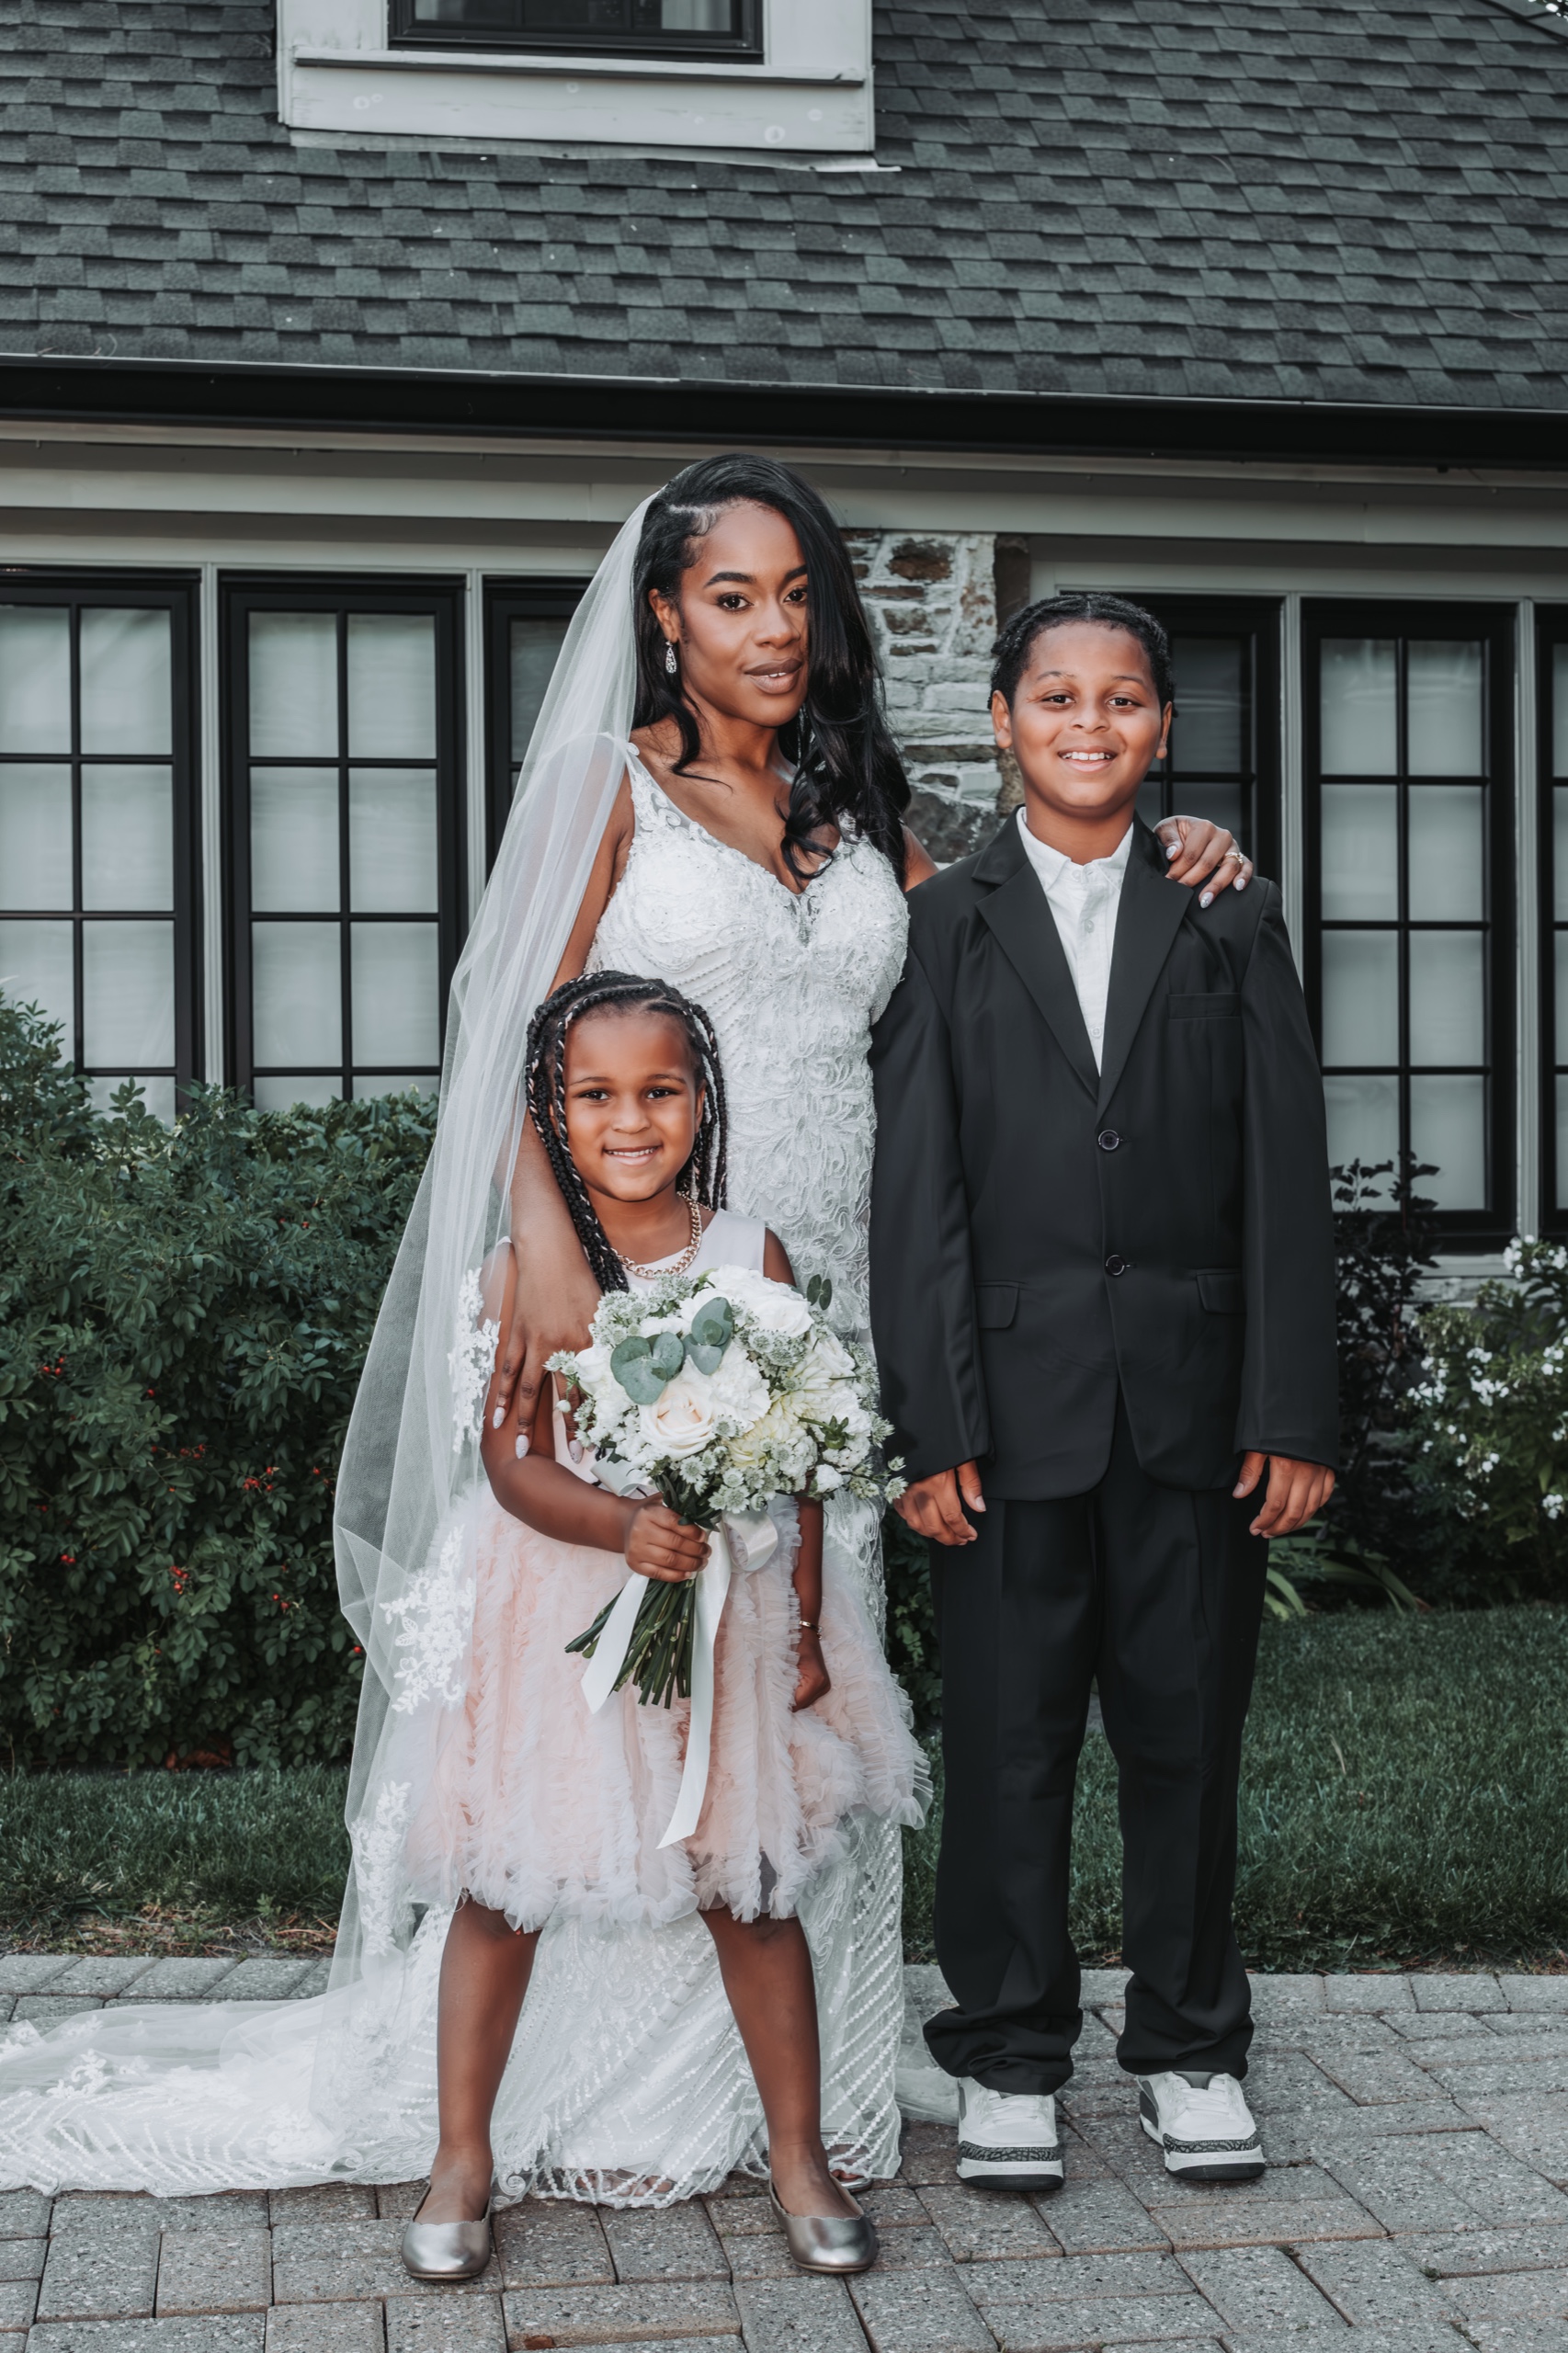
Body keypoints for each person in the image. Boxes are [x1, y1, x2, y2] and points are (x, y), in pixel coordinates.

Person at [0, 468, 1249, 2207]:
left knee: (786, 1660)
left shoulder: (851, 808)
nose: (772, 629)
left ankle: (793, 2078)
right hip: (624, 1286)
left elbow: (1023, 924)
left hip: (823, 1313)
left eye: (797, 594)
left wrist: (1172, 849)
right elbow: (508, 1025)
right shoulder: (611, 784)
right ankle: (594, 2091)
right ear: (663, 615)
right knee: (605, 1672)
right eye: (732, 596)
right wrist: (540, 1253)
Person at [868, 592, 1338, 2195]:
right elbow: (918, 1195)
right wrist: (932, 1426)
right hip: (1005, 1416)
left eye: (1121, 698)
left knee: (1183, 1738)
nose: (1089, 723)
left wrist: (1289, 1410)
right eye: (1055, 696)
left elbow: (1283, 1174)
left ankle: (1192, 2046)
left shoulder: (1226, 911)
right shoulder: (940, 925)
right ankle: (1008, 2054)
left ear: (1162, 726)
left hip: (1194, 1410)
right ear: (1002, 719)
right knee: (1005, 1746)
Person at [401, 970, 923, 2281]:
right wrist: (619, 1525)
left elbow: (804, 1450)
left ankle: (798, 2154)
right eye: (594, 1095)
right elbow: (512, 1465)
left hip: (733, 1616)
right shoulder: (522, 1274)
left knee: (749, 1884)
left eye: (659, 1091)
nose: (630, 1121)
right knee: (504, 1886)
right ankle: (460, 2154)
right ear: (550, 1112)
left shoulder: (750, 1257)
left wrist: (806, 1618)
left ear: (702, 1100)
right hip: (558, 1613)